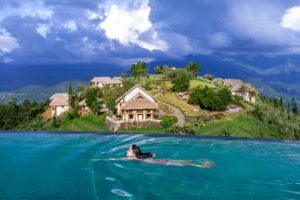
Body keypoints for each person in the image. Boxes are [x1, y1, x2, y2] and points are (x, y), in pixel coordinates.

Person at [94, 144, 214, 168]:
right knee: (181, 161)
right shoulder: (140, 156)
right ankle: (200, 162)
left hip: (160, 162)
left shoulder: (133, 158)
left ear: (133, 153)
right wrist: (150, 154)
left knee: (181, 164)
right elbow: (152, 154)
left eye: (128, 150)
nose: (127, 151)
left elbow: (115, 159)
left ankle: (201, 166)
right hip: (160, 160)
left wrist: (99, 159)